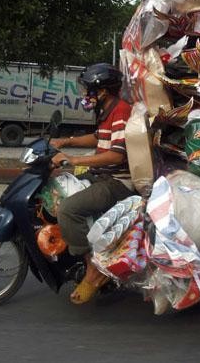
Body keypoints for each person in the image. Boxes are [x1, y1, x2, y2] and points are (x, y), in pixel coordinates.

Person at [51, 63, 134, 304]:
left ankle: (93, 267)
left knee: (68, 209)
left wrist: (73, 159)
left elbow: (117, 155)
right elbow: (99, 138)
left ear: (103, 91)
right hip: (101, 175)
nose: (86, 95)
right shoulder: (108, 111)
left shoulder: (121, 111)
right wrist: (66, 142)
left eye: (89, 90)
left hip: (118, 182)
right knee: (57, 190)